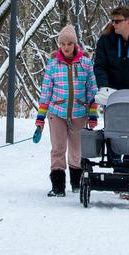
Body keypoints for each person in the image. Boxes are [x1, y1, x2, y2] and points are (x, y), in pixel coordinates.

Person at [33, 25, 98, 196]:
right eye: (63, 44)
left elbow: (92, 90)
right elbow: (46, 91)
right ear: (59, 45)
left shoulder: (85, 63)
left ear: (75, 44)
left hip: (79, 113)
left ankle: (76, 184)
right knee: (58, 148)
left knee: (77, 150)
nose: (66, 47)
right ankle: (58, 187)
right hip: (57, 113)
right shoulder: (53, 64)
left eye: (69, 43)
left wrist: (92, 114)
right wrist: (40, 120)